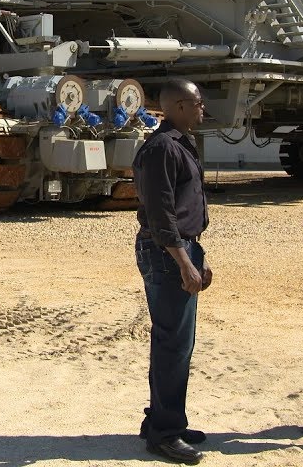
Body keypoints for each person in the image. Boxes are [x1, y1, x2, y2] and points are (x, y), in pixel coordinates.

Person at [133, 78, 212, 465]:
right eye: (198, 103)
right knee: (172, 345)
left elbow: (185, 209)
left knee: (177, 343)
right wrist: (184, 261)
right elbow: (161, 213)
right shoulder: (162, 148)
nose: (203, 108)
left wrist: (199, 255)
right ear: (179, 105)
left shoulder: (181, 143)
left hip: (181, 248)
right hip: (166, 253)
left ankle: (166, 422)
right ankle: (164, 433)